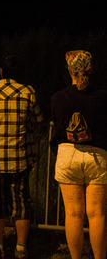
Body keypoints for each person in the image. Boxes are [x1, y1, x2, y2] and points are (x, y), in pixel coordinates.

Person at [0, 55, 44, 259]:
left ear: (1, 71)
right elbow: (37, 120)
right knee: (21, 204)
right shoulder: (29, 92)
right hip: (20, 158)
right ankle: (20, 249)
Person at [51, 50, 107, 259]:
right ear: (91, 70)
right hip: (97, 156)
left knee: (73, 214)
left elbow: (57, 127)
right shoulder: (102, 97)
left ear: (69, 70)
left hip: (68, 155)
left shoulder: (58, 98)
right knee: (97, 214)